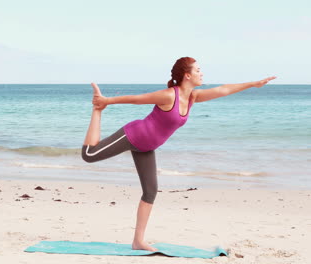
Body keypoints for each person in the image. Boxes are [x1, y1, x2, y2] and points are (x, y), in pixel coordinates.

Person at [81, 57, 276, 251]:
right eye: (198, 70)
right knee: (89, 155)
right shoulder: (169, 96)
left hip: (147, 147)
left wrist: (253, 84)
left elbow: (223, 89)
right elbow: (137, 99)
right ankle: (97, 111)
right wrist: (105, 102)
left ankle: (138, 241)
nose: (202, 73)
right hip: (133, 135)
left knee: (150, 192)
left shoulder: (192, 97)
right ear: (187, 75)